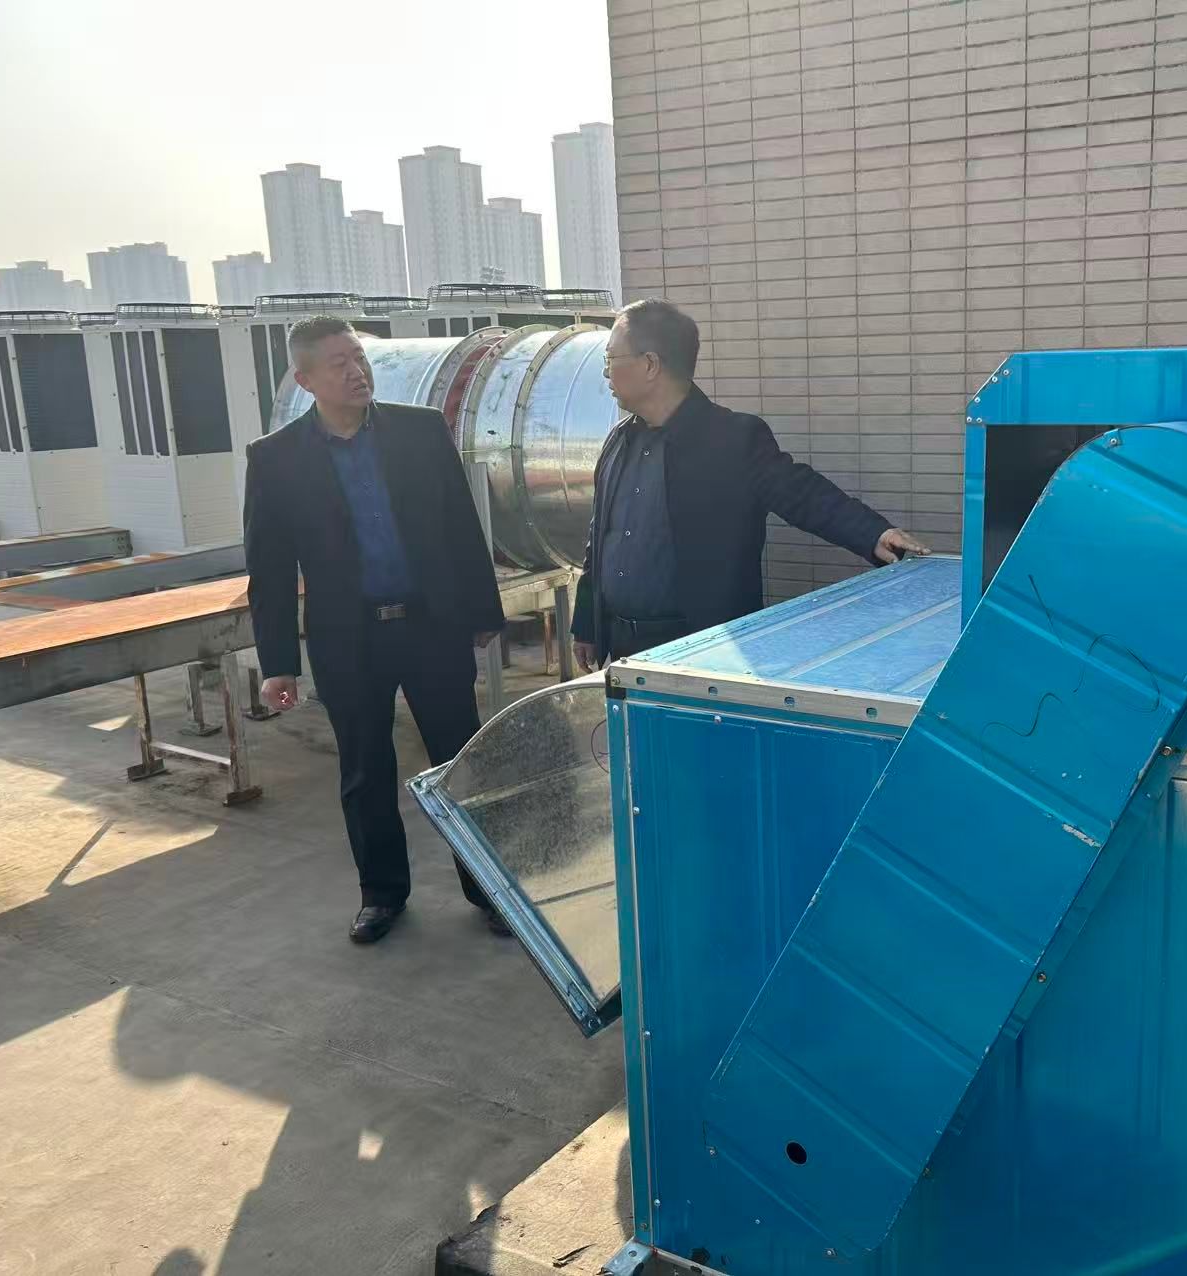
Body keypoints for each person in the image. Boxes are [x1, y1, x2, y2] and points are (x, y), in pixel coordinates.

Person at [243, 316, 508, 945]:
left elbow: (461, 526)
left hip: (430, 628)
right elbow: (270, 569)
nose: (356, 371)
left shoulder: (420, 431)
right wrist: (278, 663)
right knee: (364, 770)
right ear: (306, 380)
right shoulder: (275, 459)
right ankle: (382, 894)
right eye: (338, 363)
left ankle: (491, 891)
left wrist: (482, 612)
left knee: (459, 763)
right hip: (348, 639)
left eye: (358, 357)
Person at [572, 299, 930, 668]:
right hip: (622, 651)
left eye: (610, 359)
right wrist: (586, 624)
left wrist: (873, 534)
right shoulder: (619, 441)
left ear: (650, 364)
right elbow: (600, 538)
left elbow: (803, 494)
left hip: (703, 650)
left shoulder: (732, 439)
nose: (606, 373)